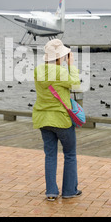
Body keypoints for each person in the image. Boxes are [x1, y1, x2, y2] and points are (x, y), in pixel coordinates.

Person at [32, 39, 82, 201]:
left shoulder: (38, 71)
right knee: (70, 154)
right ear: (59, 58)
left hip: (42, 118)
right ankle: (69, 191)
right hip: (61, 119)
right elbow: (76, 84)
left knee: (50, 155)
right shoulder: (61, 73)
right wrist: (71, 65)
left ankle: (51, 192)